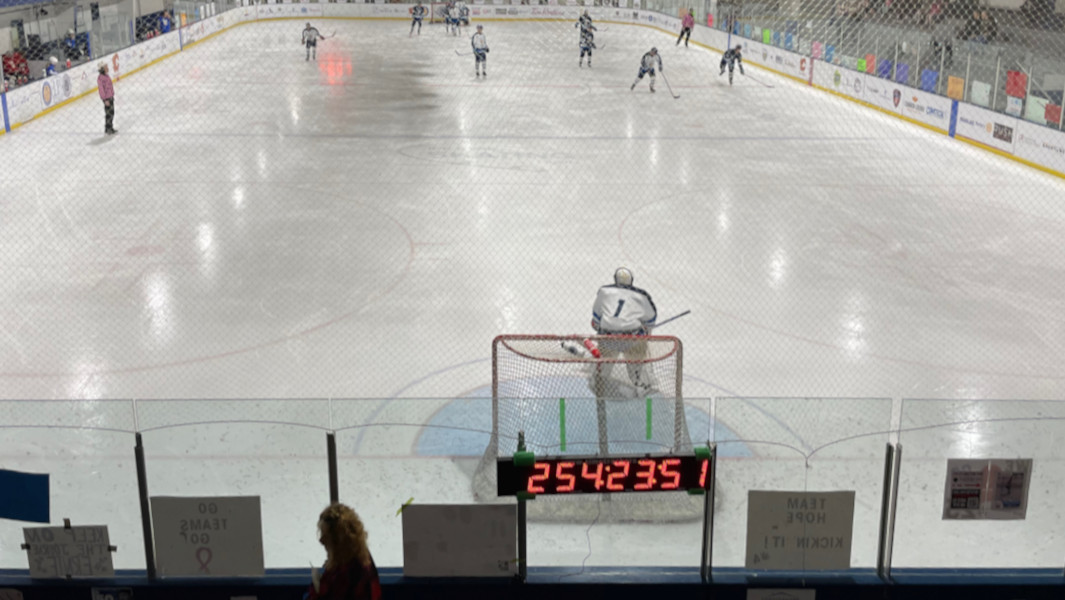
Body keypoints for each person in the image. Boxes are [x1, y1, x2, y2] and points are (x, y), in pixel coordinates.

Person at [589, 268, 658, 397]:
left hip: (608, 338)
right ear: (632, 281)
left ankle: (598, 382)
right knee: (636, 362)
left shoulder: (604, 291)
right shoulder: (642, 296)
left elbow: (595, 320)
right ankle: (640, 384)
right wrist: (646, 332)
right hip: (631, 338)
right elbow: (651, 319)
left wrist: (600, 326)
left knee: (603, 365)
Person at [304, 503, 381, 600]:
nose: (321, 540)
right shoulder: (355, 558)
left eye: (326, 536)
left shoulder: (350, 573)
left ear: (340, 541)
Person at [97, 63, 116, 135]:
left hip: (110, 97)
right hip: (107, 98)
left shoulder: (106, 76)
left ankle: (110, 127)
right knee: (109, 114)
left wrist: (112, 94)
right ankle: (108, 128)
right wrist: (105, 100)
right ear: (102, 69)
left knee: (112, 113)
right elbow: (101, 90)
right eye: (106, 67)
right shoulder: (100, 78)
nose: (108, 68)